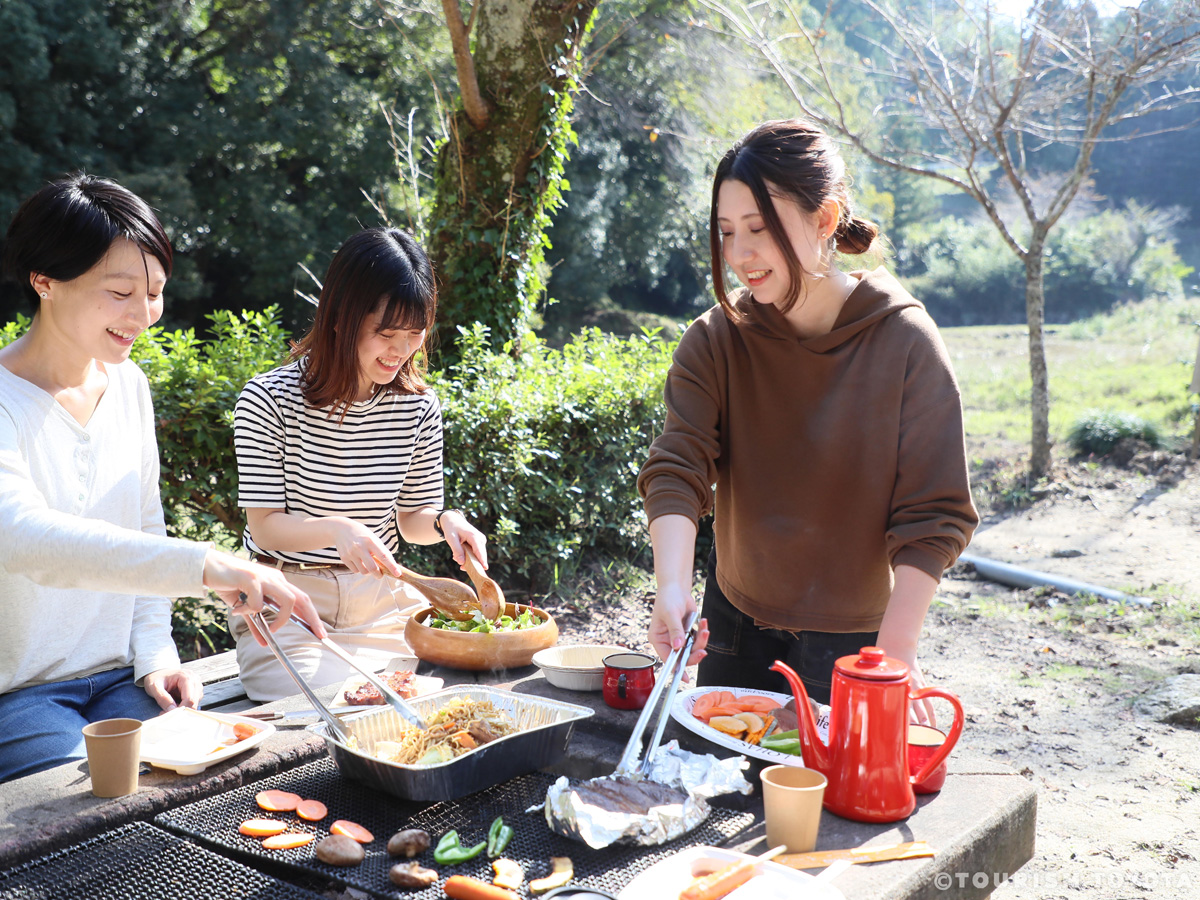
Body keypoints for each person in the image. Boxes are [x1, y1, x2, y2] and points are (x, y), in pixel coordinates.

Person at [638, 120, 979, 715]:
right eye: (726, 232)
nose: (739, 254)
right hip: (732, 622)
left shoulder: (905, 341)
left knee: (830, 780)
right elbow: (677, 466)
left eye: (759, 228)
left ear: (825, 219)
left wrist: (896, 654)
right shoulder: (715, 339)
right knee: (718, 769)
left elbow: (934, 513)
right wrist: (672, 587)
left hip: (855, 641)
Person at [0, 173, 325, 783]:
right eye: (120, 291)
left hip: (123, 681)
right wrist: (210, 565)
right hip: (17, 697)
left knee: (216, 775)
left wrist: (155, 652)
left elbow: (144, 523)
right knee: (94, 810)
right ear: (44, 280)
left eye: (153, 292)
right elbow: (24, 538)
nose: (143, 315)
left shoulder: (129, 385)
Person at [231, 226, 488, 701]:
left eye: (414, 334)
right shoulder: (268, 399)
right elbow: (265, 529)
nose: (401, 351)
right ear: (340, 318)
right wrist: (337, 530)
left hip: (383, 602)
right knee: (336, 699)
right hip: (288, 602)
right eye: (386, 334)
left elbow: (413, 521)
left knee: (457, 685)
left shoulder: (418, 406)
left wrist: (446, 521)